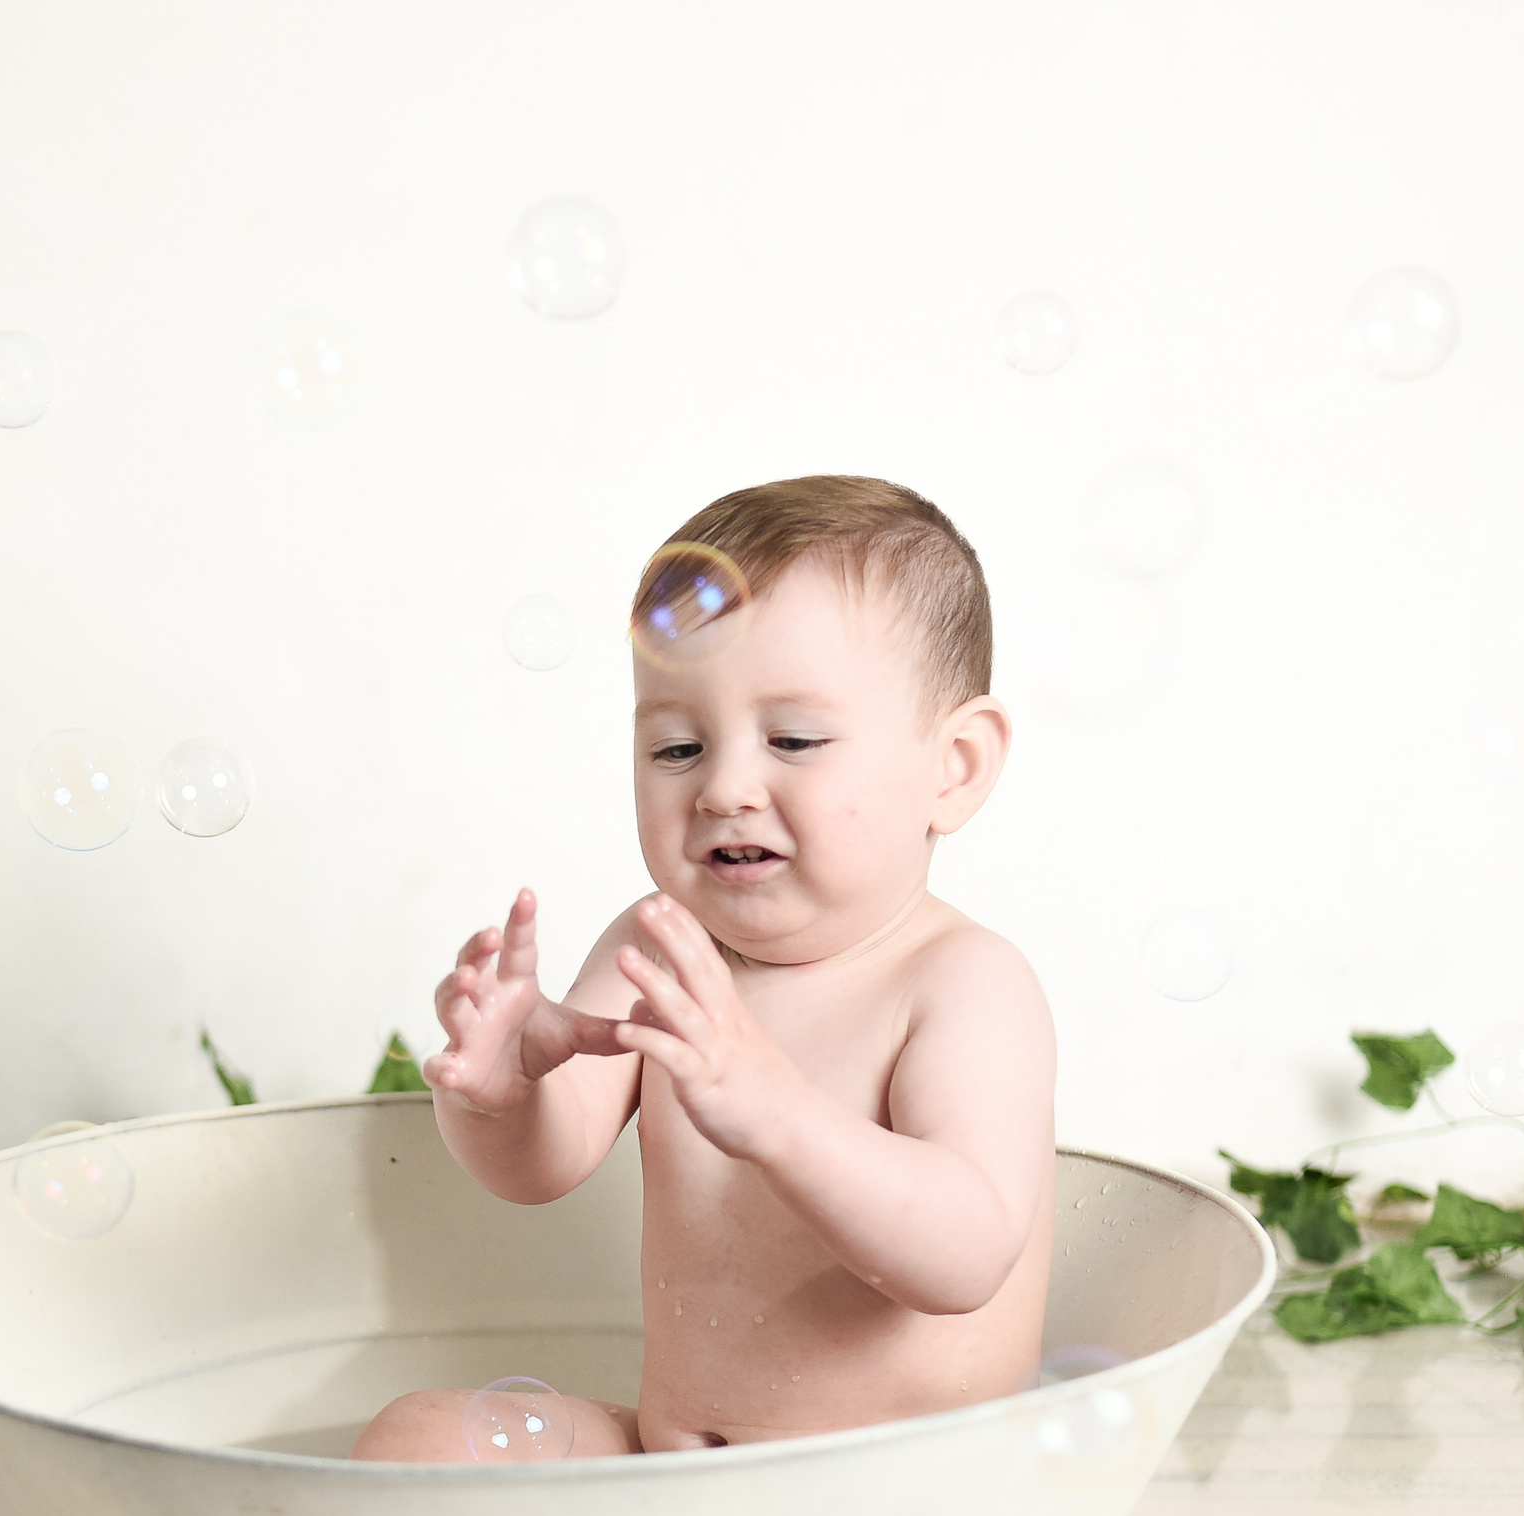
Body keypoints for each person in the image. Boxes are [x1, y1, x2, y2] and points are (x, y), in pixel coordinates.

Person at [351, 475, 1055, 1460]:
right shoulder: (656, 951)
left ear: (955, 765)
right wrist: (499, 1096)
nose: (724, 787)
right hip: (675, 1476)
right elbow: (542, 1169)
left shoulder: (961, 983)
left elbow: (965, 1252)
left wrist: (780, 1111)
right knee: (418, 1439)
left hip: (897, 1499)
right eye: (677, 746)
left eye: (794, 739)